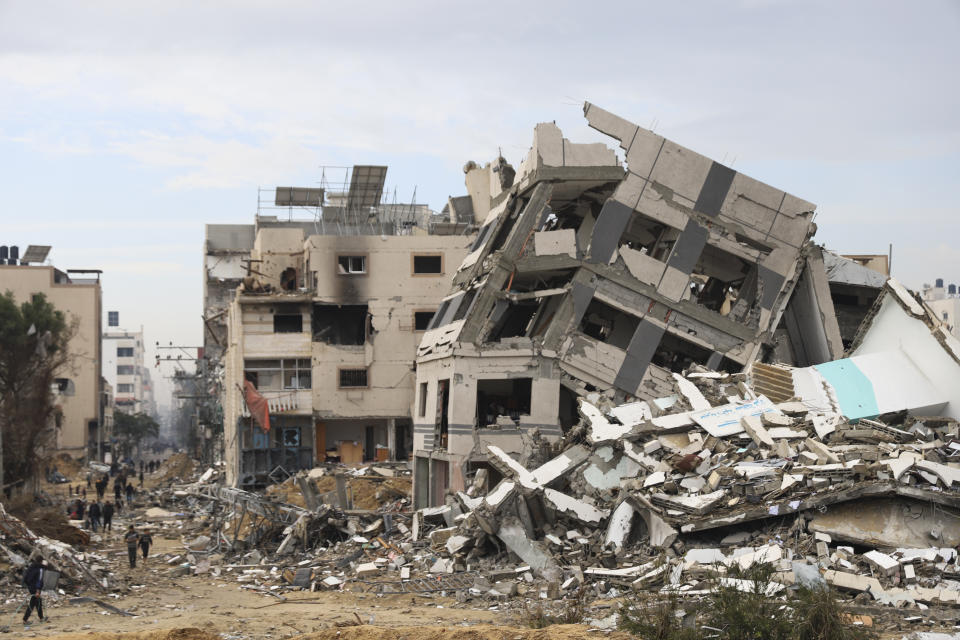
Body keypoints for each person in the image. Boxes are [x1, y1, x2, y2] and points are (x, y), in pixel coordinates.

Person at [21, 554, 46, 625]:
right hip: (36, 588)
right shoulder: (40, 569)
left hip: (30, 587)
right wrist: (38, 591)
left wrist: (30, 587)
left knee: (38, 602)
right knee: (33, 603)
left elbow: (26, 577)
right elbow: (39, 580)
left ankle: (41, 618)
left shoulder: (31, 566)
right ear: (41, 561)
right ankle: (25, 619)